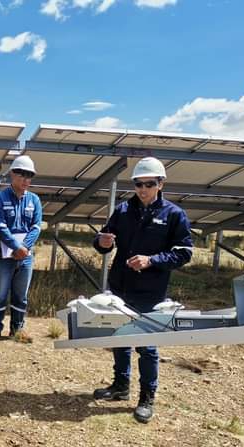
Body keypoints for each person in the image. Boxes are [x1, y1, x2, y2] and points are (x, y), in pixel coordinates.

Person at [92, 156, 193, 423]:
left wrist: (152, 261)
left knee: (147, 346)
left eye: (149, 183)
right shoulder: (124, 210)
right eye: (138, 184)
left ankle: (147, 397)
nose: (143, 189)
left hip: (151, 291)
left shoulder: (173, 214)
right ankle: (120, 387)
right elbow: (105, 241)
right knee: (119, 338)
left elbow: (184, 253)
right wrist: (101, 241)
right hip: (120, 285)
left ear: (161, 183)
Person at [0, 155, 42, 344]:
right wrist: (15, 246)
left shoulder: (34, 200)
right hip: (3, 256)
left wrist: (24, 248)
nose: (26, 179)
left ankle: (17, 328)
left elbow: (36, 227)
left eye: (29, 176)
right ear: (12, 175)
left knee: (21, 295)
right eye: (22, 174)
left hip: (25, 257)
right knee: (0, 294)